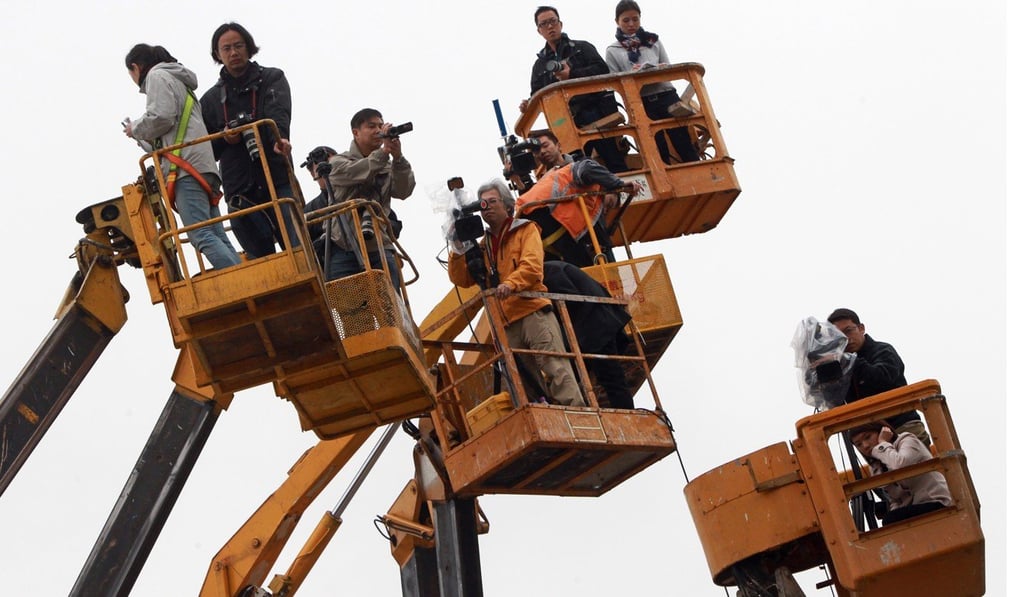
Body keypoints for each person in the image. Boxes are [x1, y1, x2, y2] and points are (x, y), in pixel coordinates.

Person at [448, 180, 585, 407]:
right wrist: (457, 247)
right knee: (522, 381)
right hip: (505, 322)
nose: (488, 207)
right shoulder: (483, 246)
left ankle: (577, 413)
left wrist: (510, 284)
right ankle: (544, 417)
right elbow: (462, 279)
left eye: (493, 201)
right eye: (484, 204)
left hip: (533, 311)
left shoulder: (525, 229)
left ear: (507, 205)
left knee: (555, 368)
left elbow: (532, 267)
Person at [122, 44, 241, 271]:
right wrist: (137, 136)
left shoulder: (157, 76)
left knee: (200, 234)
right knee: (216, 233)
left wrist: (136, 127)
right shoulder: (179, 82)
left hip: (186, 170)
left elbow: (161, 117)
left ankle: (244, 283)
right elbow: (167, 137)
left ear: (136, 67)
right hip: (201, 165)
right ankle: (241, 274)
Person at [199, 22, 299, 260]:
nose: (233, 53)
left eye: (238, 46)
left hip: (277, 176)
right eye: (226, 48)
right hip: (239, 190)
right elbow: (207, 149)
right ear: (217, 54)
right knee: (261, 264)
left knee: (299, 251)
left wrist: (279, 139)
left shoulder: (272, 78)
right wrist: (225, 137)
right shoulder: (211, 100)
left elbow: (278, 114)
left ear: (249, 48)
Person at [522, 6, 629, 173]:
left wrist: (571, 74)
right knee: (577, 170)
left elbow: (602, 70)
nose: (550, 27)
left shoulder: (582, 48)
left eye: (553, 21)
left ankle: (627, 189)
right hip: (564, 122)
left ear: (560, 24)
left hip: (596, 113)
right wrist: (528, 104)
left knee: (614, 161)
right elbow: (536, 93)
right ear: (539, 30)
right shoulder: (540, 66)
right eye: (544, 24)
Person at [516, 130, 641, 266]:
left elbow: (609, 193)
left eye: (546, 145)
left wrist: (618, 186)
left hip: (594, 239)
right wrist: (516, 180)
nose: (542, 152)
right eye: (537, 150)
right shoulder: (544, 183)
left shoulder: (579, 164)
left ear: (558, 145)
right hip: (569, 244)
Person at [324, 108, 413, 289]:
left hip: (379, 245)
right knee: (350, 313)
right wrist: (384, 152)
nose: (378, 131)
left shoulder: (387, 164)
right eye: (371, 126)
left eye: (380, 126)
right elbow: (357, 172)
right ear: (356, 133)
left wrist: (398, 157)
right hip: (342, 248)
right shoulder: (338, 162)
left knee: (391, 310)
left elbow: (404, 191)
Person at [605, 0, 700, 165]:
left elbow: (668, 67)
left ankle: (700, 174)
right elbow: (614, 81)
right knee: (656, 146)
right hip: (641, 101)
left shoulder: (653, 40)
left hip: (666, 95)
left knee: (682, 139)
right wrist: (632, 75)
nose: (631, 24)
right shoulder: (613, 50)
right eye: (626, 20)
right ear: (617, 22)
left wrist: (659, 69)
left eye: (635, 19)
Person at [827, 308, 931, 446]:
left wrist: (850, 360)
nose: (846, 339)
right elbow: (829, 398)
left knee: (918, 466)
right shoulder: (841, 364)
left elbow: (881, 379)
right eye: (839, 337)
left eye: (848, 331)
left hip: (903, 428)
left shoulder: (882, 350)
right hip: (869, 440)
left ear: (861, 328)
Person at [543, 260, 633, 408]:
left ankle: (629, 417)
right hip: (597, 324)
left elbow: (569, 301)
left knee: (612, 379)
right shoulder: (555, 268)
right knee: (604, 378)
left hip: (596, 327)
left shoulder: (549, 273)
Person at [850, 420, 952, 525]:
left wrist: (882, 443)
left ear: (882, 431)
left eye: (868, 437)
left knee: (890, 519)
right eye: (859, 444)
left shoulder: (907, 440)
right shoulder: (876, 467)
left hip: (935, 501)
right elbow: (894, 500)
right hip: (912, 509)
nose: (865, 445)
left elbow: (900, 465)